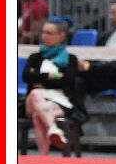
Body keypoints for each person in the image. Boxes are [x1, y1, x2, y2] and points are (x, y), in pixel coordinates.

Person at [22, 20, 86, 155]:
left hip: (59, 101)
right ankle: (53, 128)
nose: (44, 36)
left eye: (49, 33)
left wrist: (40, 79)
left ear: (61, 36)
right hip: (32, 102)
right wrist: (52, 76)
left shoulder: (71, 59)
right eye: (43, 32)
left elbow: (67, 81)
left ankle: (44, 157)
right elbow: (26, 77)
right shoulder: (35, 57)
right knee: (35, 94)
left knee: (38, 116)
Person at [78, 1, 116, 94]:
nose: (110, 17)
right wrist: (84, 63)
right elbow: (95, 54)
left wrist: (91, 66)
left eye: (113, 13)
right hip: (100, 73)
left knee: (79, 81)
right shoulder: (108, 35)